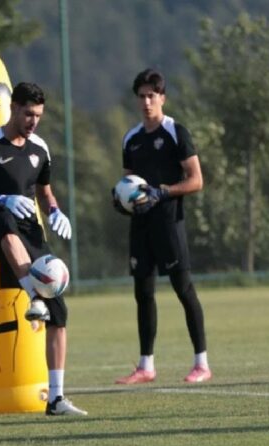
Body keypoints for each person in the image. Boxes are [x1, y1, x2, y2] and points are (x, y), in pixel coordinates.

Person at [0, 82, 86, 416]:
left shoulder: (40, 148)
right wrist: (0, 199)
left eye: (38, 115)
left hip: (30, 233)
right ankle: (34, 296)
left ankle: (55, 399)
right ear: (12, 108)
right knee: (4, 222)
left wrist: (55, 210)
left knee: (60, 313)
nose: (33, 121)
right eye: (28, 113)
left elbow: (44, 191)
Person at [113, 68, 212, 384]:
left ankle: (202, 363)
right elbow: (127, 183)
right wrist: (121, 199)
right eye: (141, 96)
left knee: (183, 289)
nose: (146, 102)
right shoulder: (131, 139)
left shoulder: (175, 132)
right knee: (143, 293)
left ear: (162, 98)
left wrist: (164, 191)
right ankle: (146, 366)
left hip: (169, 224)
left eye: (151, 96)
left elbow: (196, 180)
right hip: (140, 227)